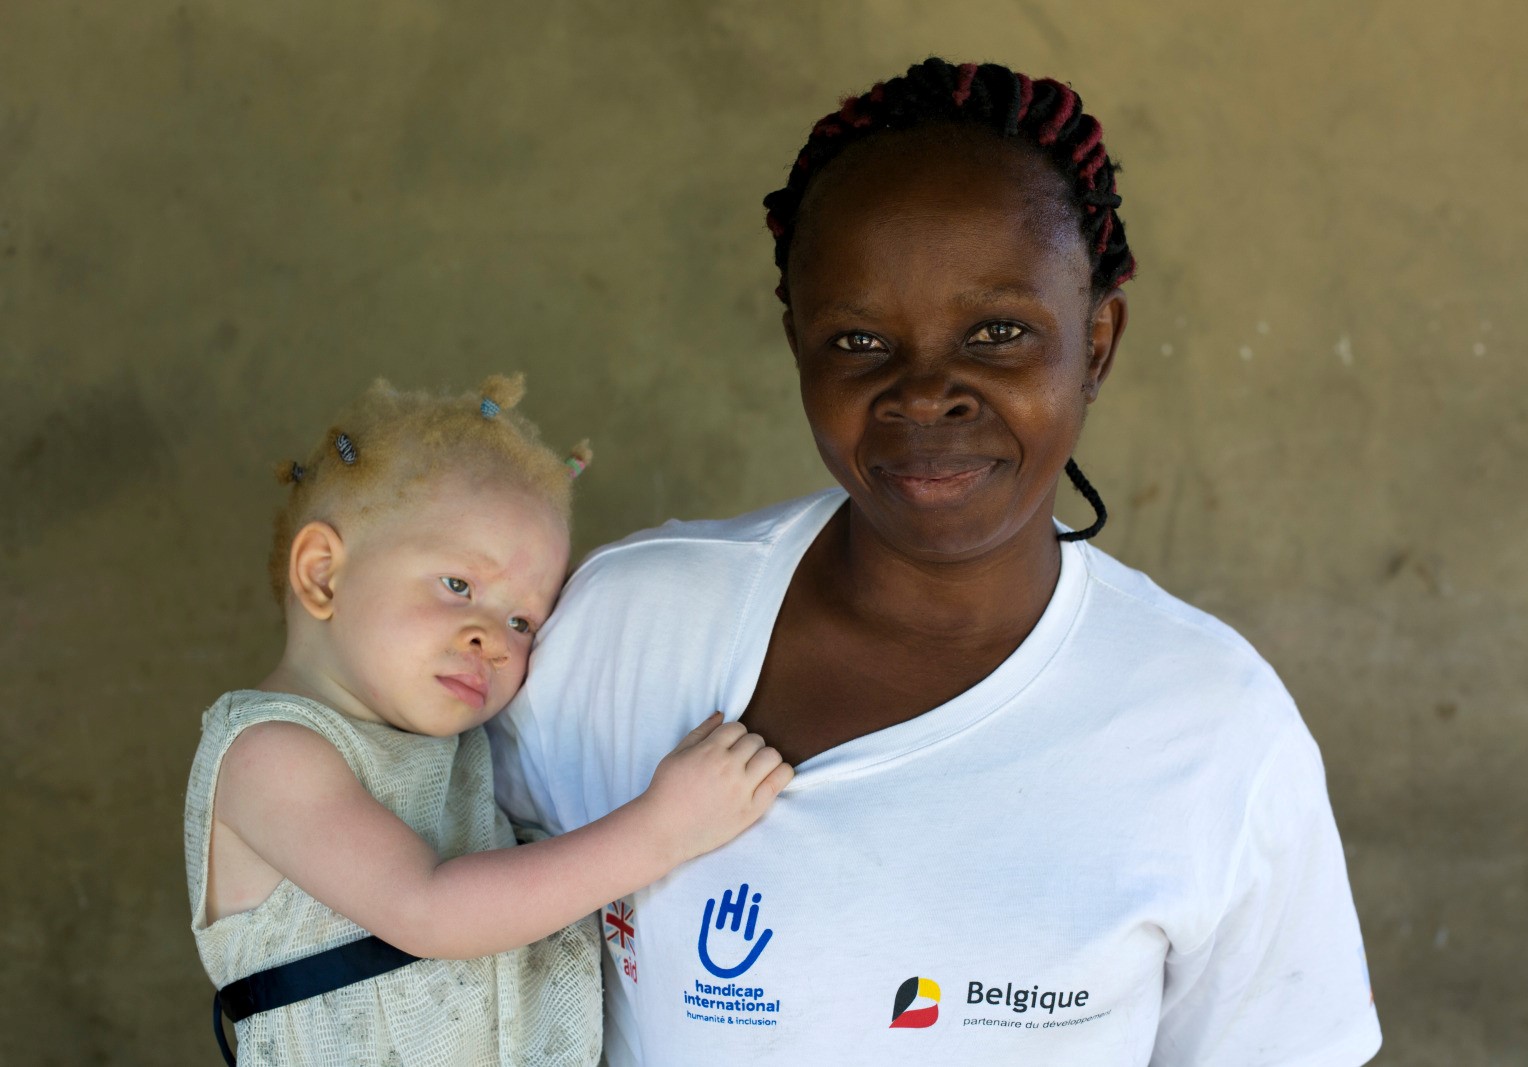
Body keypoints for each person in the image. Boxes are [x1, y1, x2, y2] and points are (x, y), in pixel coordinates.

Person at [490, 59, 1384, 1065]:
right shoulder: (630, 628)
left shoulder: (1213, 727)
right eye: (859, 338)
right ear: (797, 347)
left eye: (998, 333)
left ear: (1095, 344)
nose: (925, 393)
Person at [182, 374, 793, 1067]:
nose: (493, 638)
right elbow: (427, 910)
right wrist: (663, 828)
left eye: (523, 619)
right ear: (323, 574)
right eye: (458, 585)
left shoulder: (468, 755)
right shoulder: (270, 754)